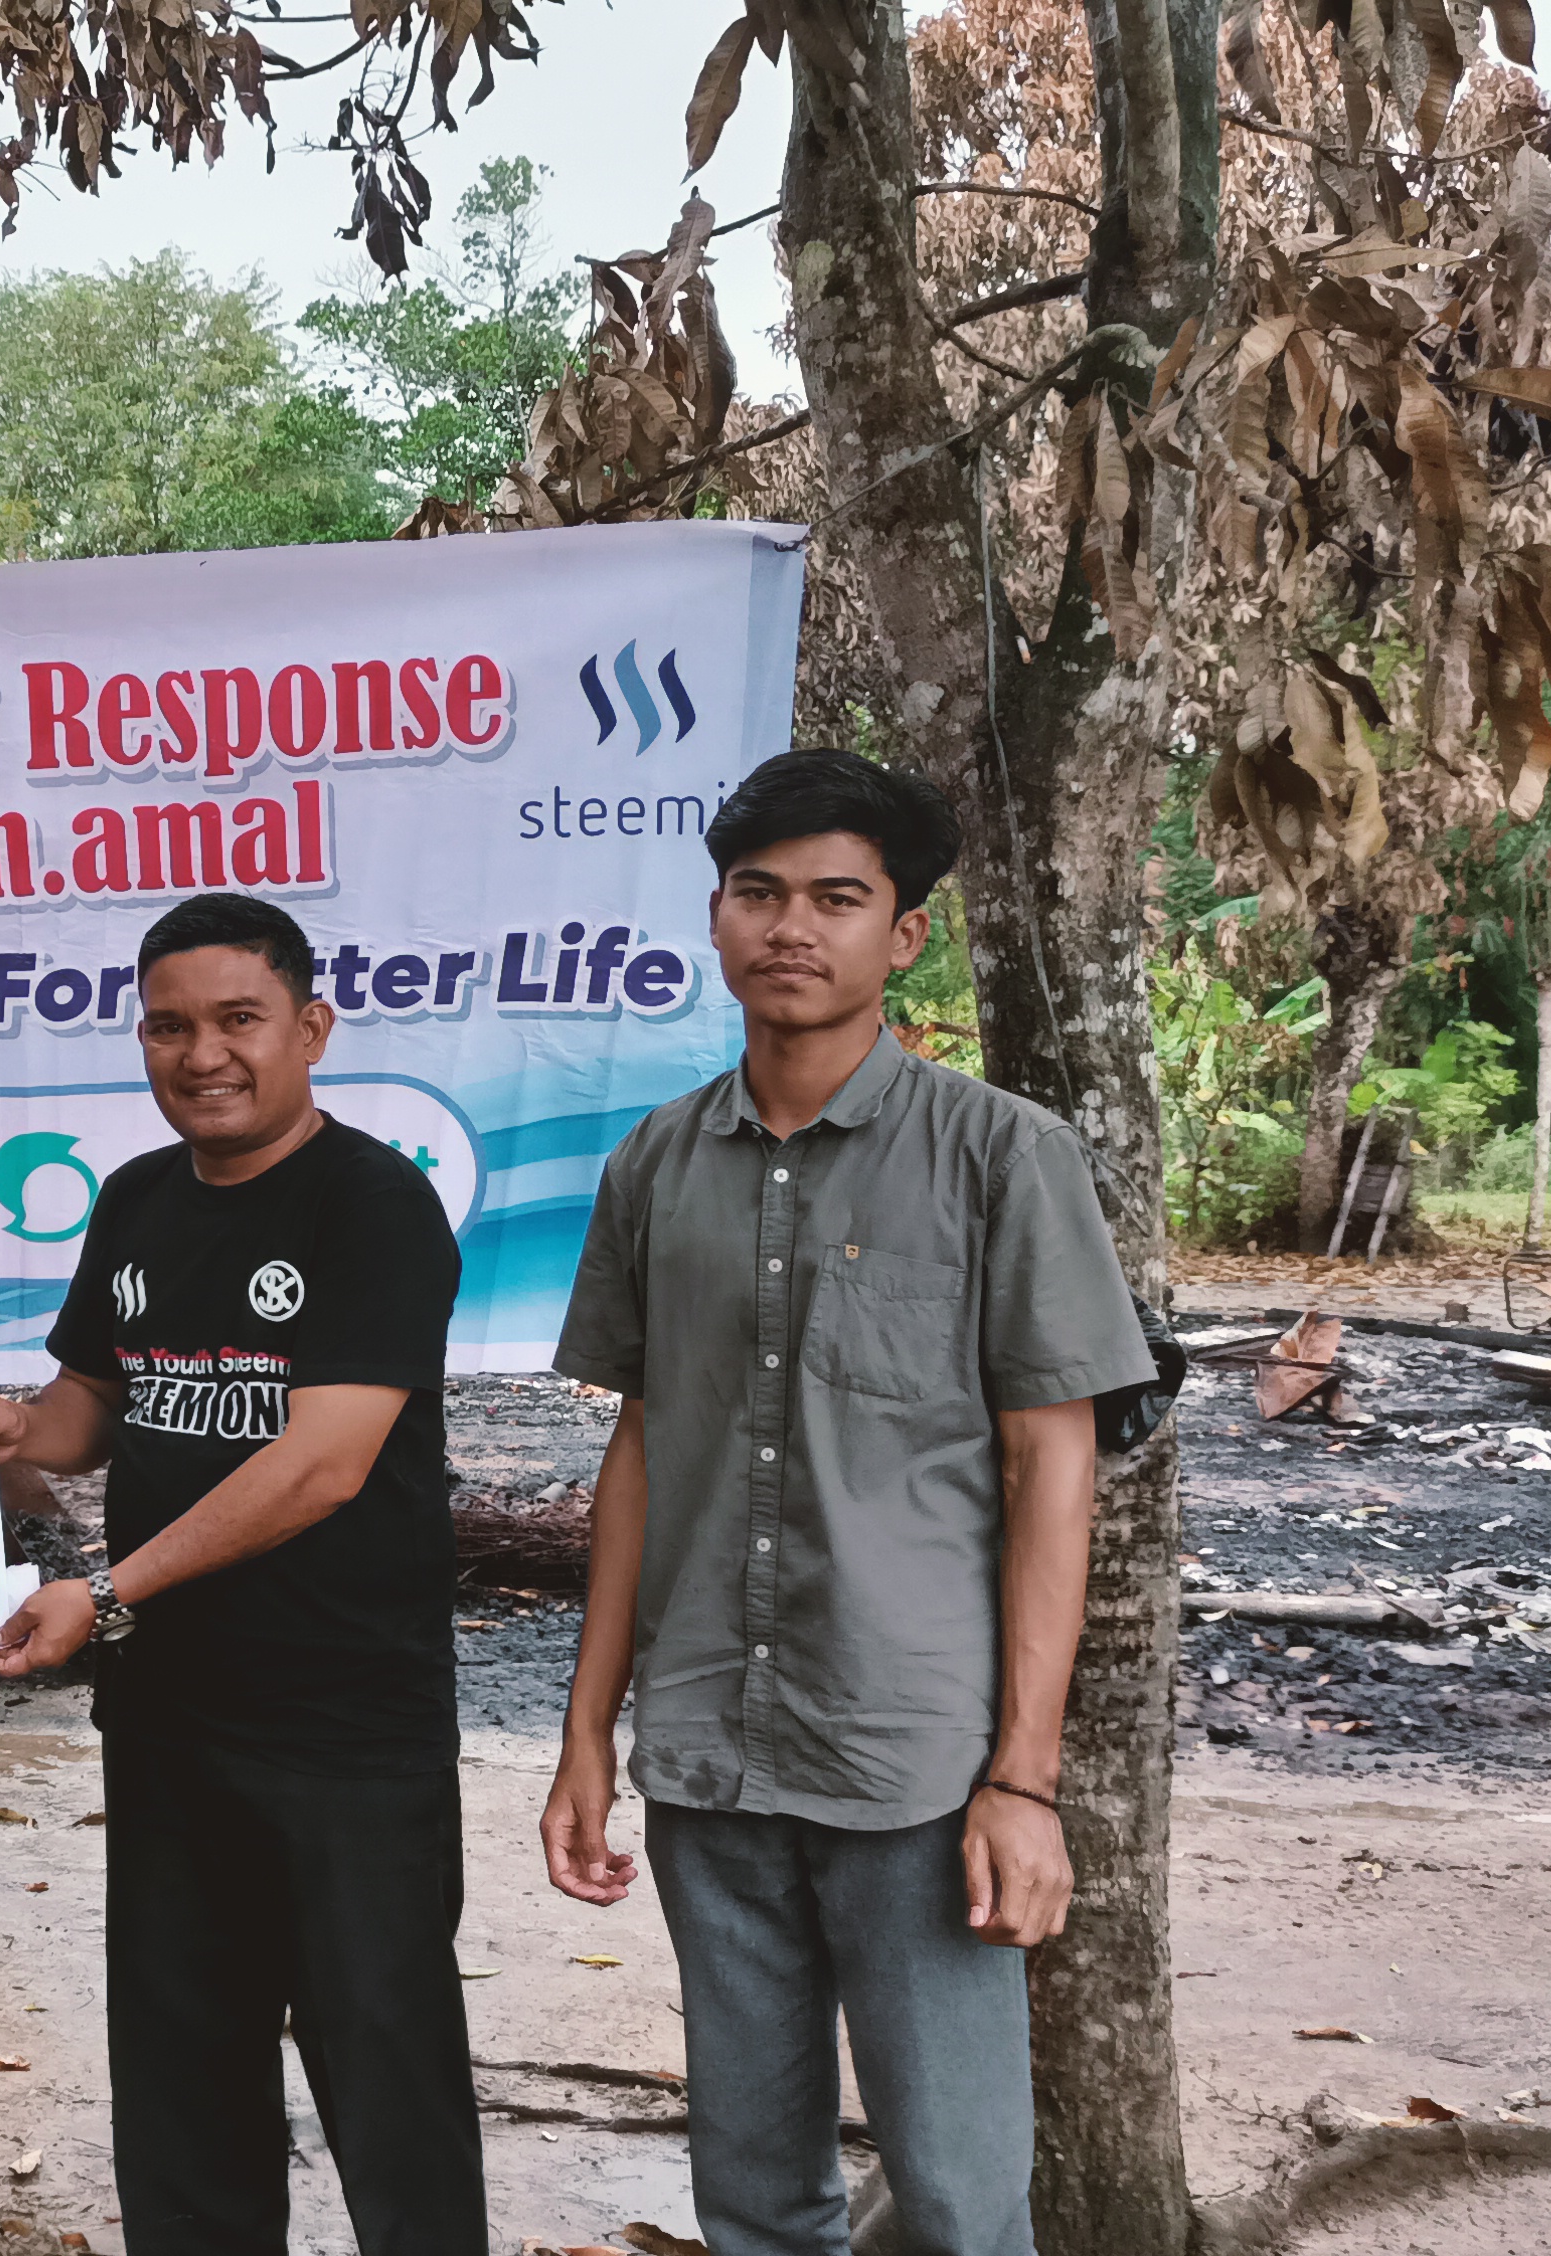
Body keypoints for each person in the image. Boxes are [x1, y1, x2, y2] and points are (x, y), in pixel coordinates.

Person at [538, 748, 1156, 2256]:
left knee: (956, 2197)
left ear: (905, 932)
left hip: (915, 1766)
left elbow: (1053, 1471)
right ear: (717, 917)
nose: (791, 929)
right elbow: (641, 1449)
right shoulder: (656, 1163)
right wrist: (587, 1734)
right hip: (710, 1747)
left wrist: (1022, 1783)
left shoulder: (1003, 1156)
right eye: (759, 894)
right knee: (753, 2192)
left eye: (835, 898)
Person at [0, 892, 481, 2256]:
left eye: (239, 1020)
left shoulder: (376, 1204)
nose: (204, 1055)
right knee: (184, 2091)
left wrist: (107, 1592)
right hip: (172, 1721)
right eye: (169, 1028)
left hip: (346, 1734)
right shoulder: (136, 1199)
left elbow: (321, 1467)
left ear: (311, 1028)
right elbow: (90, 1406)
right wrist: (10, 1428)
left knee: (389, 2087)